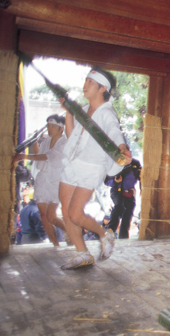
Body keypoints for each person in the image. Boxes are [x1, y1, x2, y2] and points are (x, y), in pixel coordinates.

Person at [58, 67, 132, 269]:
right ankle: (82, 253)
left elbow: (115, 133)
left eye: (90, 82)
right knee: (65, 211)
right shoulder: (82, 109)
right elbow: (73, 136)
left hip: (92, 166)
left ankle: (104, 234)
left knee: (75, 214)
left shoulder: (106, 112)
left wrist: (123, 148)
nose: (85, 84)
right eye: (86, 80)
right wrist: (68, 114)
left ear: (102, 88)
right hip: (73, 162)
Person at [13, 114, 68, 246]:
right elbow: (39, 155)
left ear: (61, 128)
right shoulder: (46, 141)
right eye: (48, 125)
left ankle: (71, 232)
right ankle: (56, 244)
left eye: (53, 126)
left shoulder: (65, 142)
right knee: (43, 217)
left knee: (51, 216)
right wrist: (34, 143)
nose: (50, 128)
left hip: (55, 182)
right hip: (42, 180)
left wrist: (23, 156)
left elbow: (47, 156)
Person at [105, 147, 141, 239]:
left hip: (129, 192)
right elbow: (107, 180)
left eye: (128, 152)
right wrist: (115, 181)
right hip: (117, 191)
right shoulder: (115, 165)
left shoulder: (135, 164)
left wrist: (142, 188)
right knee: (119, 207)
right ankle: (110, 232)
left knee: (128, 215)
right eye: (124, 153)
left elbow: (141, 177)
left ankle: (123, 237)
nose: (127, 155)